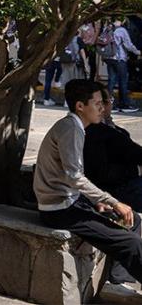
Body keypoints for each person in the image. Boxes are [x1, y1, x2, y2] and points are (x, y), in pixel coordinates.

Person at [35, 79, 142, 296]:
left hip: (70, 202)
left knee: (133, 220)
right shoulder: (70, 128)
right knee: (130, 241)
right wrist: (114, 201)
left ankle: (118, 278)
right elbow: (75, 177)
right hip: (60, 210)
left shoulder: (75, 126)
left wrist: (97, 201)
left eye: (103, 103)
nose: (102, 108)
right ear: (80, 106)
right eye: (97, 103)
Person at [84, 83, 142, 211]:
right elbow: (100, 173)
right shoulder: (97, 132)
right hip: (114, 191)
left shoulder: (111, 129)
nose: (110, 104)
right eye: (109, 100)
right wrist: (135, 170)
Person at [110, 19, 141, 113]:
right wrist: (138, 52)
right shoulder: (121, 30)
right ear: (122, 19)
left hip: (109, 57)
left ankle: (108, 104)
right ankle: (124, 105)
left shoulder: (109, 28)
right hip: (120, 59)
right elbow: (128, 45)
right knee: (123, 81)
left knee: (111, 81)